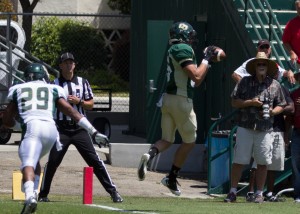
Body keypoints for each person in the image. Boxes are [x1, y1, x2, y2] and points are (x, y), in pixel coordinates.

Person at [1, 63, 109, 214]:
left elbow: (6, 119)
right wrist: (93, 131)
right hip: (52, 131)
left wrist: (17, 125)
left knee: (28, 163)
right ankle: (35, 193)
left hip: (33, 128)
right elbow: (71, 111)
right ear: (44, 76)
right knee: (36, 160)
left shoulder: (18, 89)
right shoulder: (53, 89)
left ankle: (30, 196)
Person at [137, 21, 220, 196]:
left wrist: (207, 62)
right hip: (182, 100)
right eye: (189, 37)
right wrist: (206, 59)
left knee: (167, 140)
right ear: (183, 37)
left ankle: (149, 155)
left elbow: (195, 78)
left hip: (168, 100)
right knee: (189, 142)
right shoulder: (181, 49)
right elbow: (197, 76)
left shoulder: (172, 50)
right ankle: (172, 177)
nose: (191, 40)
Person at [38, 53, 123, 203]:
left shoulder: (83, 82)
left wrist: (80, 101)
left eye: (71, 62)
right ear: (61, 65)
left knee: (95, 160)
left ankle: (113, 192)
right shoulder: (54, 84)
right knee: (53, 161)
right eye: (66, 63)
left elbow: (91, 104)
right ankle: (43, 195)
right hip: (61, 129)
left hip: (79, 129)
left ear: (75, 65)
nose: (69, 65)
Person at [224, 52, 286, 203]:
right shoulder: (244, 82)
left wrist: (272, 111)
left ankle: (259, 193)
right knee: (239, 160)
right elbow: (234, 102)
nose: (261, 66)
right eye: (259, 64)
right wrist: (250, 102)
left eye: (264, 64)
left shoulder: (275, 84)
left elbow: (282, 105)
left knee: (263, 162)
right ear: (254, 66)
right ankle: (232, 192)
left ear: (268, 66)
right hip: (245, 126)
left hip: (265, 129)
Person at [246, 84, 294, 202]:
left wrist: (275, 109)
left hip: (277, 129)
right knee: (257, 162)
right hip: (260, 128)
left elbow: (291, 108)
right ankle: (251, 192)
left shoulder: (282, 88)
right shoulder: (257, 86)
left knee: (273, 163)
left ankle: (269, 193)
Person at [286, 70, 300, 203]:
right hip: (297, 132)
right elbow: (289, 117)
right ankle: (298, 194)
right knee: (296, 164)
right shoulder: (294, 94)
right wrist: (286, 135)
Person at [282, 0, 300, 71]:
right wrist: (292, 52)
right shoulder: (291, 24)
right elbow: (285, 41)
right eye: (299, 8)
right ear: (296, 8)